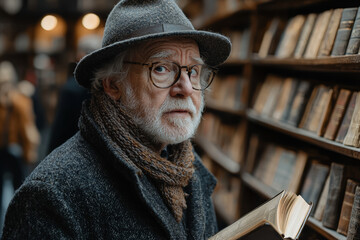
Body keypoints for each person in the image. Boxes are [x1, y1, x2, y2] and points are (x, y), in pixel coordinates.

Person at [1, 0, 231, 239]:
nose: (185, 88)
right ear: (113, 84)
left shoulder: (190, 170)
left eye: (193, 71)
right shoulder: (53, 196)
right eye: (161, 68)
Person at [47, 35, 101, 153]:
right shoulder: (107, 86)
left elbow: (60, 129)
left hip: (71, 150)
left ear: (80, 55)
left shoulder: (70, 89)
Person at [0, 61, 39, 223]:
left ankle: (20, 223)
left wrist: (30, 151)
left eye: (6, 82)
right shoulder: (19, 99)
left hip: (16, 149)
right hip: (3, 149)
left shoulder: (20, 100)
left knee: (20, 188)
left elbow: (27, 127)